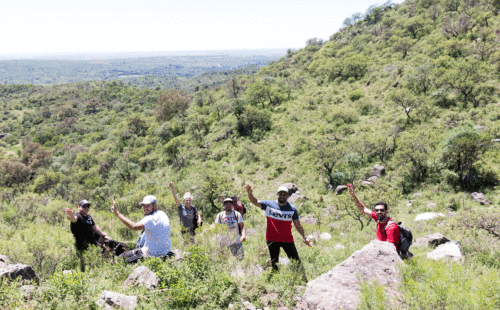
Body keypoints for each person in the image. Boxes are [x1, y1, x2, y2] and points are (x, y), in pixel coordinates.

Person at [245, 184, 313, 274]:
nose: (282, 196)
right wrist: (250, 193)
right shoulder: (269, 204)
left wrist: (304, 236)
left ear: (288, 196)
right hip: (272, 239)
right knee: (274, 263)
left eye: (284, 194)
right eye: (280, 194)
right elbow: (255, 201)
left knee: (296, 262)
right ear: (277, 195)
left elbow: (297, 224)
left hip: (287, 240)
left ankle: (302, 280)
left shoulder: (292, 208)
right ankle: (275, 282)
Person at [111, 195, 171, 263]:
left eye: (148, 206)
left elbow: (134, 226)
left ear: (155, 206)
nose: (145, 208)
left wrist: (117, 214)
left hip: (151, 254)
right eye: (144, 206)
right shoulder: (163, 214)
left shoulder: (150, 218)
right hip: (165, 252)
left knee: (119, 259)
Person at [65, 200, 115, 271]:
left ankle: (112, 261)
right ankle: (108, 267)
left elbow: (94, 227)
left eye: (88, 206)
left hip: (93, 240)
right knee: (102, 251)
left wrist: (103, 235)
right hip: (84, 244)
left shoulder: (89, 216)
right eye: (84, 206)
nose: (86, 208)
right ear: (79, 207)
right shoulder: (77, 216)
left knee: (109, 241)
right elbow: (73, 219)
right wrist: (71, 216)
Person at [347, 184, 399, 249]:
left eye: (381, 210)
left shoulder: (391, 227)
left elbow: (391, 248)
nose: (379, 212)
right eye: (377, 210)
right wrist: (353, 195)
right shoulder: (377, 217)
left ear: (386, 211)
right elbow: (362, 208)